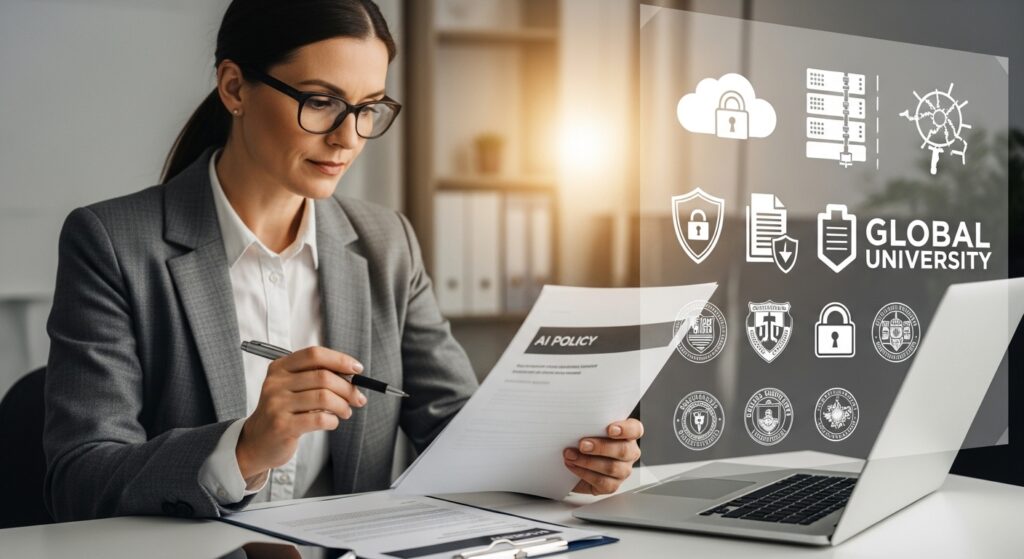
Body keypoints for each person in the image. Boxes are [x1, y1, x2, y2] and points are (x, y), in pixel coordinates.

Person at [42, 0, 644, 522]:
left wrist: (568, 462)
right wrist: (245, 447)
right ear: (234, 88)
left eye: (369, 107)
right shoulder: (114, 243)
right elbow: (79, 478)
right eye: (322, 102)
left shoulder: (386, 243)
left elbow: (456, 430)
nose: (348, 137)